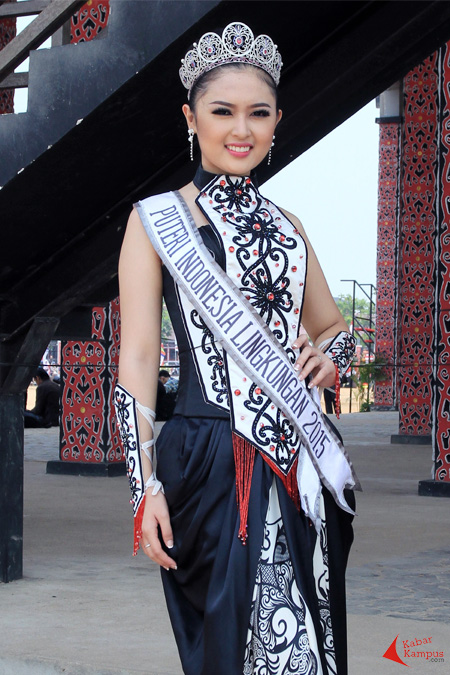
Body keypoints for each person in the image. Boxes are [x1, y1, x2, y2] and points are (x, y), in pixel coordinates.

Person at [114, 22, 359, 675]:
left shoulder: (290, 225)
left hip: (298, 459)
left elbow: (334, 325)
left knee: (303, 641)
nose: (241, 129)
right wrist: (146, 488)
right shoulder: (154, 221)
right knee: (233, 645)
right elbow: (137, 360)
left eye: (258, 112)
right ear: (191, 118)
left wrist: (337, 357)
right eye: (222, 111)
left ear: (278, 121)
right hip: (207, 461)